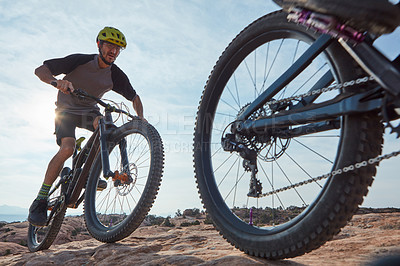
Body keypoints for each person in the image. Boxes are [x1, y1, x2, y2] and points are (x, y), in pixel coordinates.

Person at [28, 26, 145, 226]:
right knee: (67, 148)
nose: (113, 51)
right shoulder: (80, 60)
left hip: (89, 112)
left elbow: (135, 97)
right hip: (65, 111)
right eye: (109, 45)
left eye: (118, 49)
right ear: (99, 44)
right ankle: (40, 199)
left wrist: (141, 118)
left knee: (107, 128)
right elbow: (40, 70)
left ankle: (90, 173)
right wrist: (56, 82)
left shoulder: (114, 74)